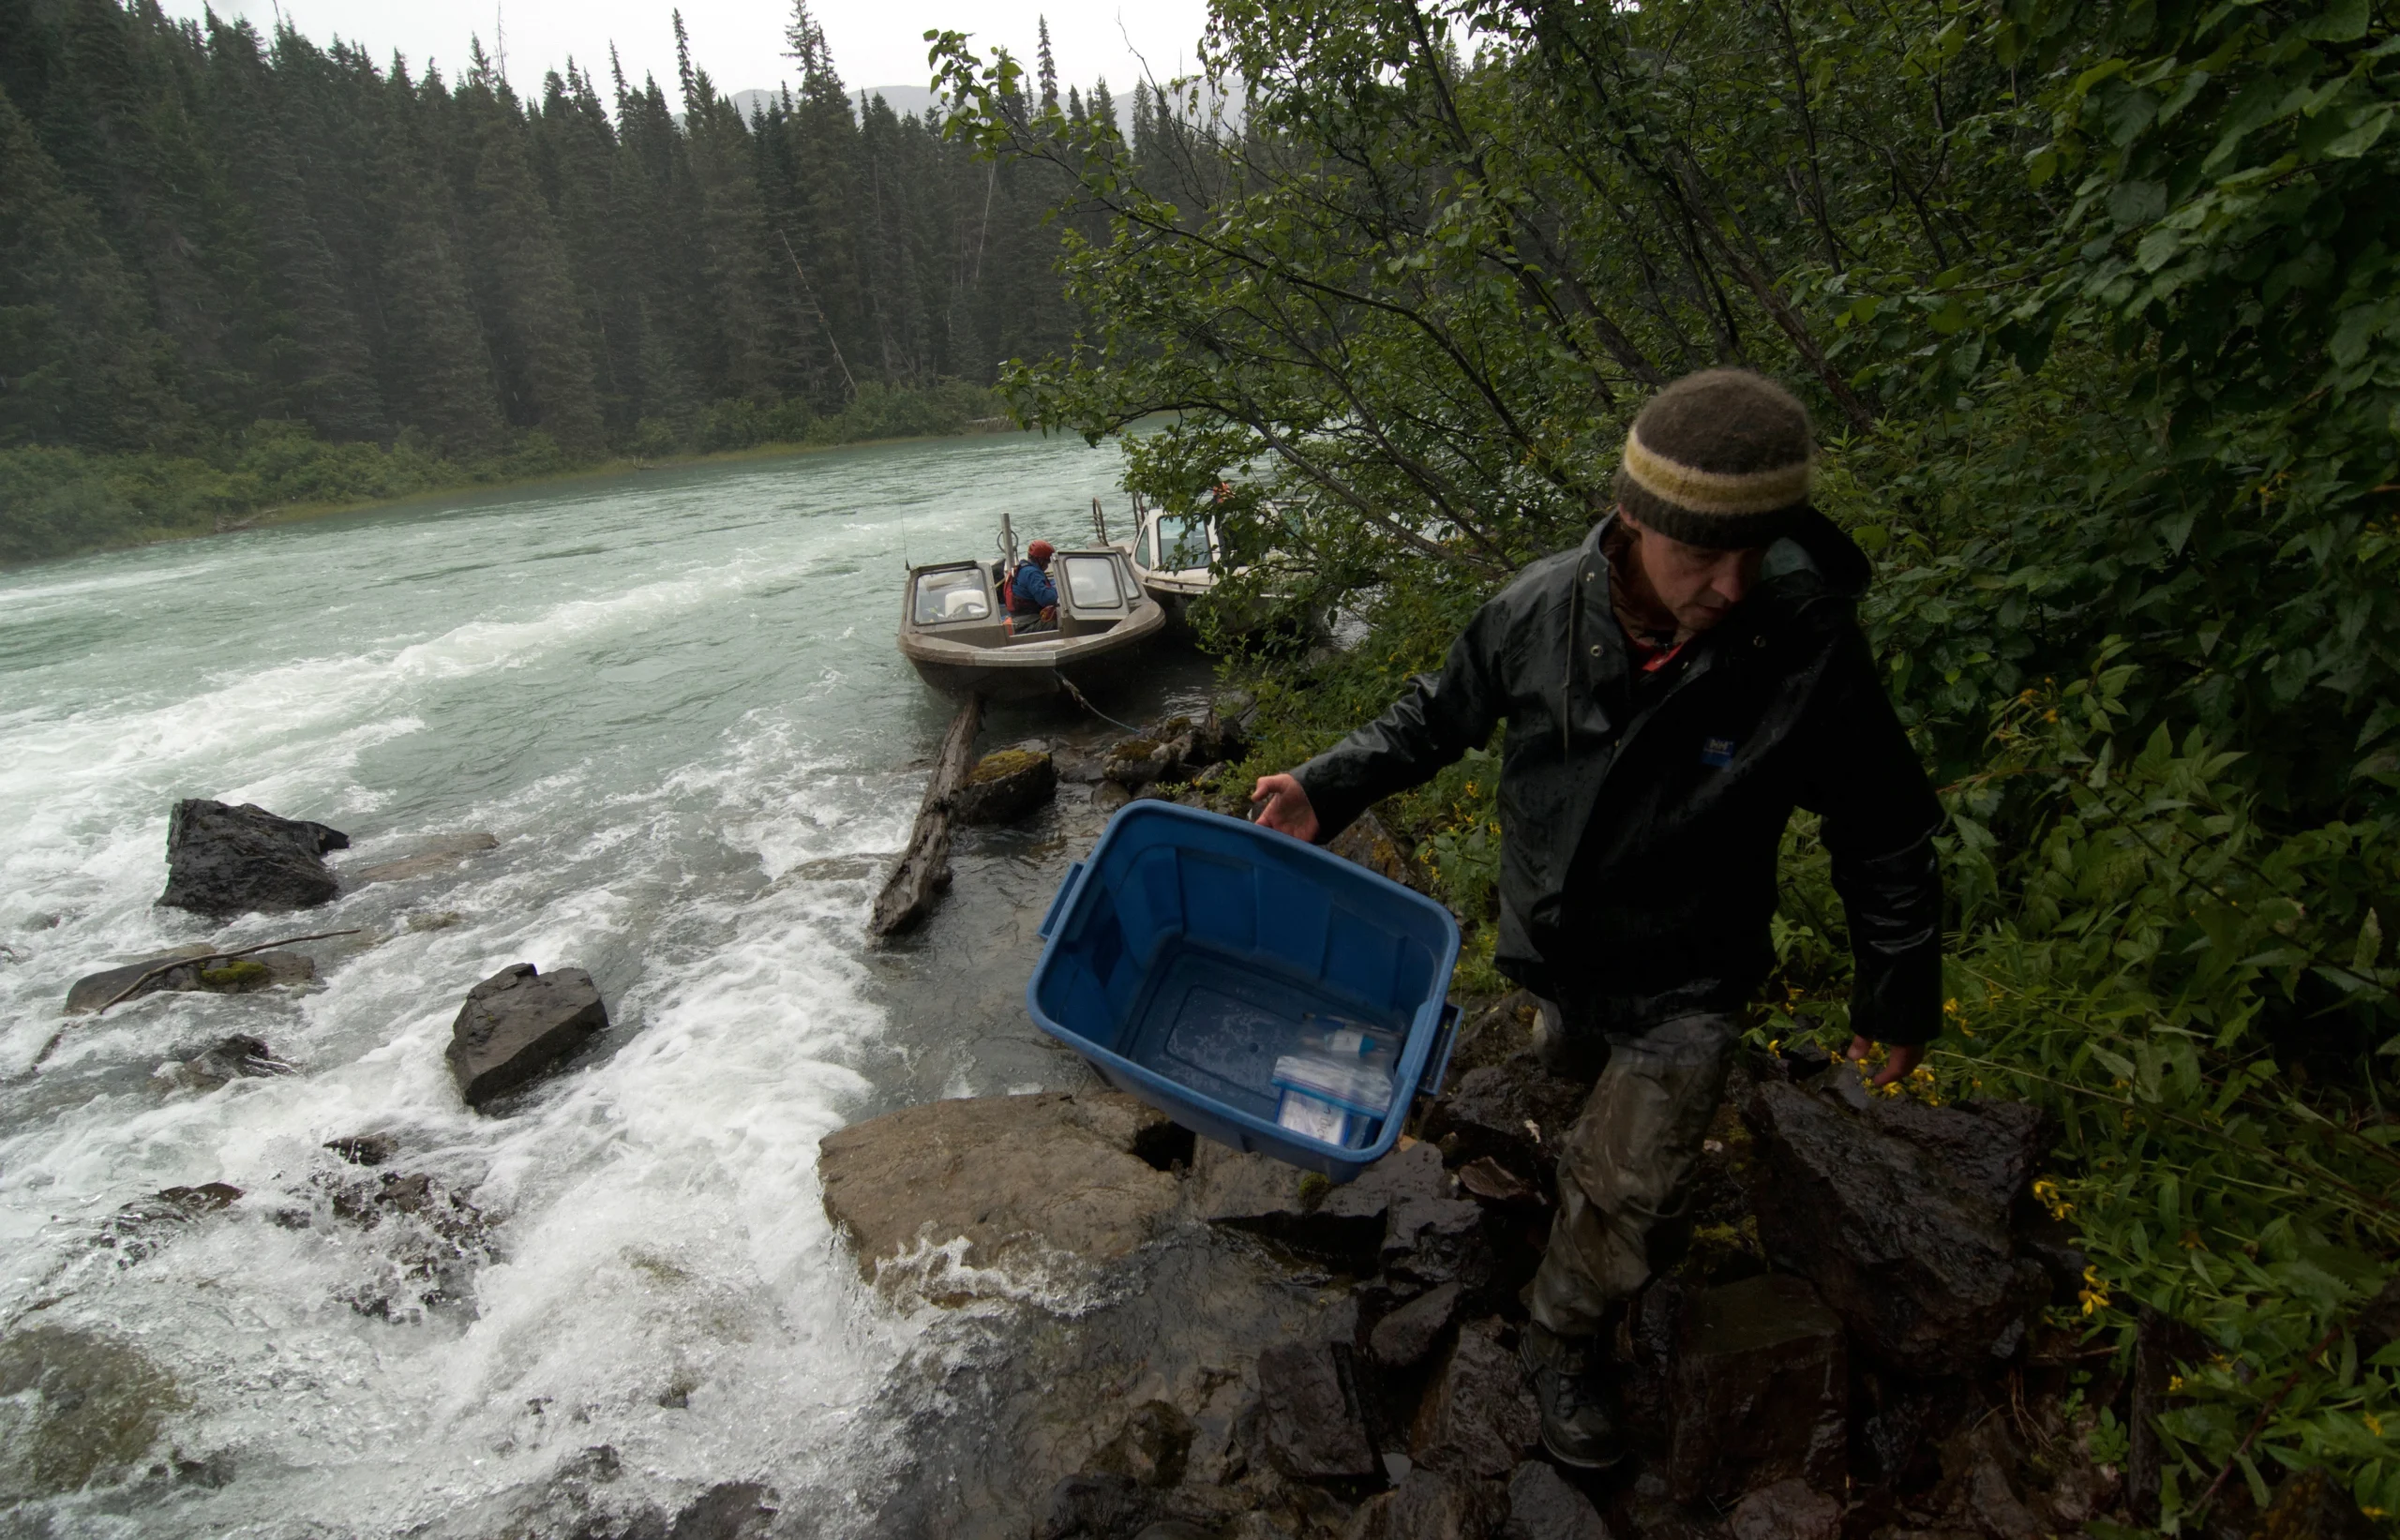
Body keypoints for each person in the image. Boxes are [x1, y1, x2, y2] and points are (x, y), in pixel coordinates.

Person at [1249, 368, 1942, 1469]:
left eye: (1755, 553)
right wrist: (1325, 785)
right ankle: (1565, 1117)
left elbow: (1882, 824)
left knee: (1633, 1183)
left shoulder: (1801, 645)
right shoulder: (1535, 610)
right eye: (1699, 555)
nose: (1729, 584)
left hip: (1692, 966)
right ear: (1633, 519)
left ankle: (1558, 1334)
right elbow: (1437, 713)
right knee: (1564, 1077)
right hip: (1554, 941)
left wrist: (1897, 984)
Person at [1011, 539, 1059, 630]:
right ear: (1040, 560)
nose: (1047, 566)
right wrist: (1058, 591)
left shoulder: (1024, 568)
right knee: (1060, 622)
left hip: (1020, 618)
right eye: (1047, 562)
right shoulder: (1032, 573)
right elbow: (1047, 599)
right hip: (1027, 622)